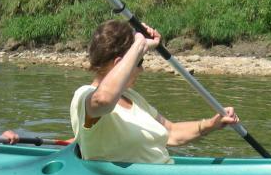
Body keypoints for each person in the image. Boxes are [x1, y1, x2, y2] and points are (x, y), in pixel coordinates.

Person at [70, 20, 240, 164]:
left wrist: (211, 124)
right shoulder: (85, 96)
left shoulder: (132, 97)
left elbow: (171, 132)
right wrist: (140, 45)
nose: (142, 69)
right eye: (139, 62)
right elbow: (103, 100)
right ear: (119, 64)